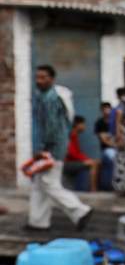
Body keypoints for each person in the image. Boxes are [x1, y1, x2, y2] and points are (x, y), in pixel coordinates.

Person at [27, 65, 92, 231]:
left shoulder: (50, 98)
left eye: (43, 77)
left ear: (52, 79)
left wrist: (42, 150)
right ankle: (38, 222)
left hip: (51, 149)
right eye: (37, 77)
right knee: (39, 185)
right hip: (53, 147)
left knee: (49, 184)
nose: (39, 81)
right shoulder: (47, 96)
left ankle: (80, 211)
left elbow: (51, 127)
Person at [64, 116, 100, 192]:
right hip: (68, 163)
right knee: (93, 164)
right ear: (77, 125)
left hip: (73, 162)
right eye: (83, 124)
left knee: (96, 162)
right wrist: (86, 160)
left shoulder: (75, 135)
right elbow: (72, 153)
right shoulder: (71, 135)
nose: (84, 126)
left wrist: (87, 159)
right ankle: (93, 189)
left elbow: (77, 153)